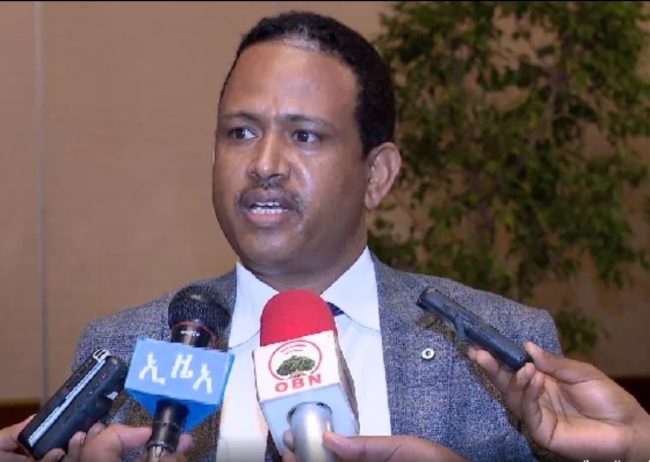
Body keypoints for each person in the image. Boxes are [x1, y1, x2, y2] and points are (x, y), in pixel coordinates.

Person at [71, 10, 561, 462]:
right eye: (241, 132)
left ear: (377, 175)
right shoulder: (123, 350)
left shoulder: (508, 354)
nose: (264, 165)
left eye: (304, 135)